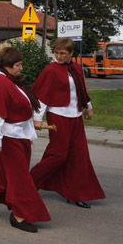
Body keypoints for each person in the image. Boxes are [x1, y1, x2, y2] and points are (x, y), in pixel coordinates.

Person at [0, 46, 50, 233]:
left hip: (19, 135)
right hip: (9, 138)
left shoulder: (9, 80)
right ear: (7, 66)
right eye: (18, 65)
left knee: (14, 175)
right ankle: (19, 215)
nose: (21, 68)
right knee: (20, 179)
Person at [30, 38, 105, 208]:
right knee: (58, 155)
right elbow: (42, 96)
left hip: (76, 115)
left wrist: (89, 108)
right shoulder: (50, 70)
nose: (58, 56)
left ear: (71, 53)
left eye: (63, 53)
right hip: (58, 116)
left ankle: (75, 193)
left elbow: (81, 90)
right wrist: (37, 119)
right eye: (56, 52)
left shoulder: (76, 68)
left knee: (78, 155)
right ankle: (28, 183)